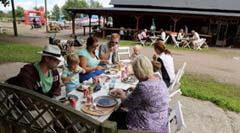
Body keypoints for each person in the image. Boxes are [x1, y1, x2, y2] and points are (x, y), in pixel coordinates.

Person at [109, 55, 169, 132]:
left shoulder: (143, 86)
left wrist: (121, 93)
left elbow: (127, 104)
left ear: (138, 71)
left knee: (113, 115)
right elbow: (150, 93)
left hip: (147, 127)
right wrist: (135, 90)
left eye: (135, 72)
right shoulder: (159, 80)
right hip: (161, 123)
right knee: (119, 112)